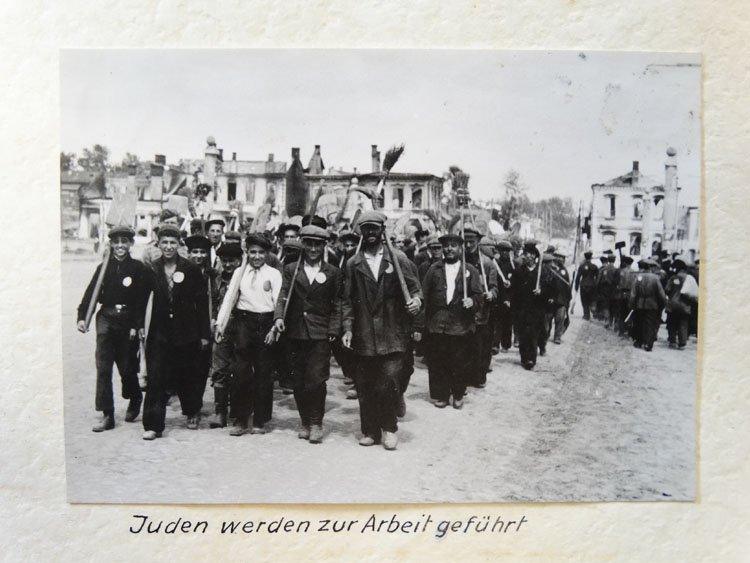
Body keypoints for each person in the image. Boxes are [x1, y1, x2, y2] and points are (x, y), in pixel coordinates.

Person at [341, 211, 421, 450]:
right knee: (365, 384)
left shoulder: (398, 260)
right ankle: (370, 431)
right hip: (364, 333)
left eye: (375, 229)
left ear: (382, 231)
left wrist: (416, 301)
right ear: (361, 233)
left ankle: (389, 429)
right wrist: (347, 328)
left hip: (393, 333)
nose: (371, 233)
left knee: (388, 382)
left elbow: (416, 290)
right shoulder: (353, 264)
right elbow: (346, 301)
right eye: (366, 229)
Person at [271, 225, 345, 443]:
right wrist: (278, 317)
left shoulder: (333, 272)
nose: (313, 248)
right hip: (294, 332)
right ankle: (304, 421)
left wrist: (334, 329)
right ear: (303, 244)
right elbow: (283, 295)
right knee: (298, 381)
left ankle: (316, 422)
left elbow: (338, 303)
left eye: (318, 244)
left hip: (320, 334)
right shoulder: (292, 269)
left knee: (316, 380)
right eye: (309, 243)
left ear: (324, 246)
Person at [77, 225, 150, 432]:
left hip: (128, 322)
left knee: (127, 367)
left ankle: (135, 397)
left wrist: (137, 325)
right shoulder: (103, 268)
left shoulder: (138, 269)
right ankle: (107, 414)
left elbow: (141, 301)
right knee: (103, 367)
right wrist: (82, 317)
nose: (120, 246)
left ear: (130, 244)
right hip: (106, 319)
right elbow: (90, 294)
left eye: (124, 241)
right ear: (111, 244)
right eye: (116, 242)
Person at [141, 224, 210, 439]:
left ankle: (192, 411)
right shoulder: (151, 268)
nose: (169, 247)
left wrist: (204, 334)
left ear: (179, 244)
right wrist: (141, 326)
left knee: (187, 374)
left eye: (173, 242)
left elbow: (201, 304)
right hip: (159, 332)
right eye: (165, 242)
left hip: (186, 331)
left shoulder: (190, 269)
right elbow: (141, 301)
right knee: (156, 377)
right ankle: (153, 425)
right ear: (158, 244)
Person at [223, 233, 282, 436]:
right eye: (253, 252)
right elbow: (230, 298)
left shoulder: (273, 274)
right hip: (243, 322)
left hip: (265, 323)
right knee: (240, 371)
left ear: (267, 253)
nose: (256, 256)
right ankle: (240, 419)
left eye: (261, 252)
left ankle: (259, 420)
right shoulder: (240, 272)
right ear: (247, 252)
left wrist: (274, 328)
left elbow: (278, 303)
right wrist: (220, 325)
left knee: (264, 373)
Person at [417, 233, 481, 409]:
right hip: (437, 324)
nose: (449, 249)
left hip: (460, 325)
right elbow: (424, 296)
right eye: (446, 246)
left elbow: (478, 296)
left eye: (453, 245)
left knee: (459, 362)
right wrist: (420, 324)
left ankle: (458, 393)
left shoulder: (470, 270)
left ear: (460, 248)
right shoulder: (434, 269)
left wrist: (472, 301)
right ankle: (442, 395)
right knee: (438, 361)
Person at [207, 242, 243, 428]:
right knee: (219, 369)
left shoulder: (244, 278)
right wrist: (213, 322)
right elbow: (213, 302)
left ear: (239, 260)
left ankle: (238, 411)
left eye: (232, 261)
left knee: (239, 370)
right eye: (224, 261)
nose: (228, 265)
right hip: (222, 330)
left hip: (242, 329)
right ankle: (220, 412)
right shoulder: (216, 279)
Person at [463, 227, 498, 388]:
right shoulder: (459, 260)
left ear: (478, 242)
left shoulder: (487, 263)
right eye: (466, 240)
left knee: (481, 346)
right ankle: (465, 376)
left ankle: (479, 376)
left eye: (472, 240)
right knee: (464, 346)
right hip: (462, 309)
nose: (469, 243)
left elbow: (494, 287)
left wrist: (491, 293)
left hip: (482, 311)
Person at [184, 234, 215, 413]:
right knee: (186, 368)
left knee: (202, 368)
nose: (198, 256)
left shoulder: (212, 276)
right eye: (194, 251)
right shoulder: (182, 273)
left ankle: (195, 404)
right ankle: (189, 403)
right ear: (188, 253)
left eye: (203, 252)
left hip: (207, 326)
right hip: (187, 327)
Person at [511, 241, 548, 370]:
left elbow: (551, 290)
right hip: (522, 308)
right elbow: (513, 291)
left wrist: (541, 291)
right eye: (525, 254)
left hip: (537, 309)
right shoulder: (518, 272)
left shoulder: (542, 272)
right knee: (523, 334)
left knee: (533, 334)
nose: (526, 257)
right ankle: (524, 357)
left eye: (529, 254)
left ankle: (531, 358)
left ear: (534, 256)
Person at [629, 258, 667, 351]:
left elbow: (633, 293)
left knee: (639, 323)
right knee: (649, 324)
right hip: (652, 304)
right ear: (650, 267)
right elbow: (661, 293)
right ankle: (648, 344)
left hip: (639, 304)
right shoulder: (655, 278)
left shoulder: (638, 277)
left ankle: (638, 341)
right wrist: (663, 303)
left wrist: (632, 304)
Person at [665, 255, 697, 349]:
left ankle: (672, 341)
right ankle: (682, 343)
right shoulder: (689, 278)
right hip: (684, 305)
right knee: (683, 323)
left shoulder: (674, 278)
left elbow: (667, 289)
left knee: (672, 323)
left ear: (677, 268)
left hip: (673, 304)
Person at [492, 239, 515, 353]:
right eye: (503, 251)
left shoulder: (513, 265)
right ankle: (495, 344)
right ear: (499, 251)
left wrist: (510, 298)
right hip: (499, 297)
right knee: (498, 321)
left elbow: (516, 282)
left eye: (507, 251)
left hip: (510, 297)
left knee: (508, 322)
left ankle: (506, 344)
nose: (505, 253)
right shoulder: (495, 264)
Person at [546, 252, 572, 344]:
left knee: (560, 318)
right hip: (551, 299)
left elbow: (568, 287)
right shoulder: (550, 269)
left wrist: (568, 301)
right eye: (559, 257)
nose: (561, 260)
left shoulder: (564, 271)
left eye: (563, 258)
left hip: (561, 300)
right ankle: (546, 335)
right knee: (548, 318)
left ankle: (557, 337)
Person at [574, 251, 599, 320]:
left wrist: (576, 287)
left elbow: (578, 277)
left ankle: (586, 315)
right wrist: (595, 284)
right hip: (592, 285)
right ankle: (592, 310)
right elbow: (598, 277)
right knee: (591, 299)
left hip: (583, 285)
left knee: (584, 300)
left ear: (585, 258)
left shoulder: (581, 266)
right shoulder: (594, 267)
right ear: (591, 258)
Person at [614, 256, 635, 336]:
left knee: (621, 312)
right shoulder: (634, 273)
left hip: (621, 294)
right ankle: (628, 330)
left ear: (625, 263)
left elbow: (617, 283)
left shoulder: (621, 272)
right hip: (630, 294)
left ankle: (621, 330)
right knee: (629, 312)